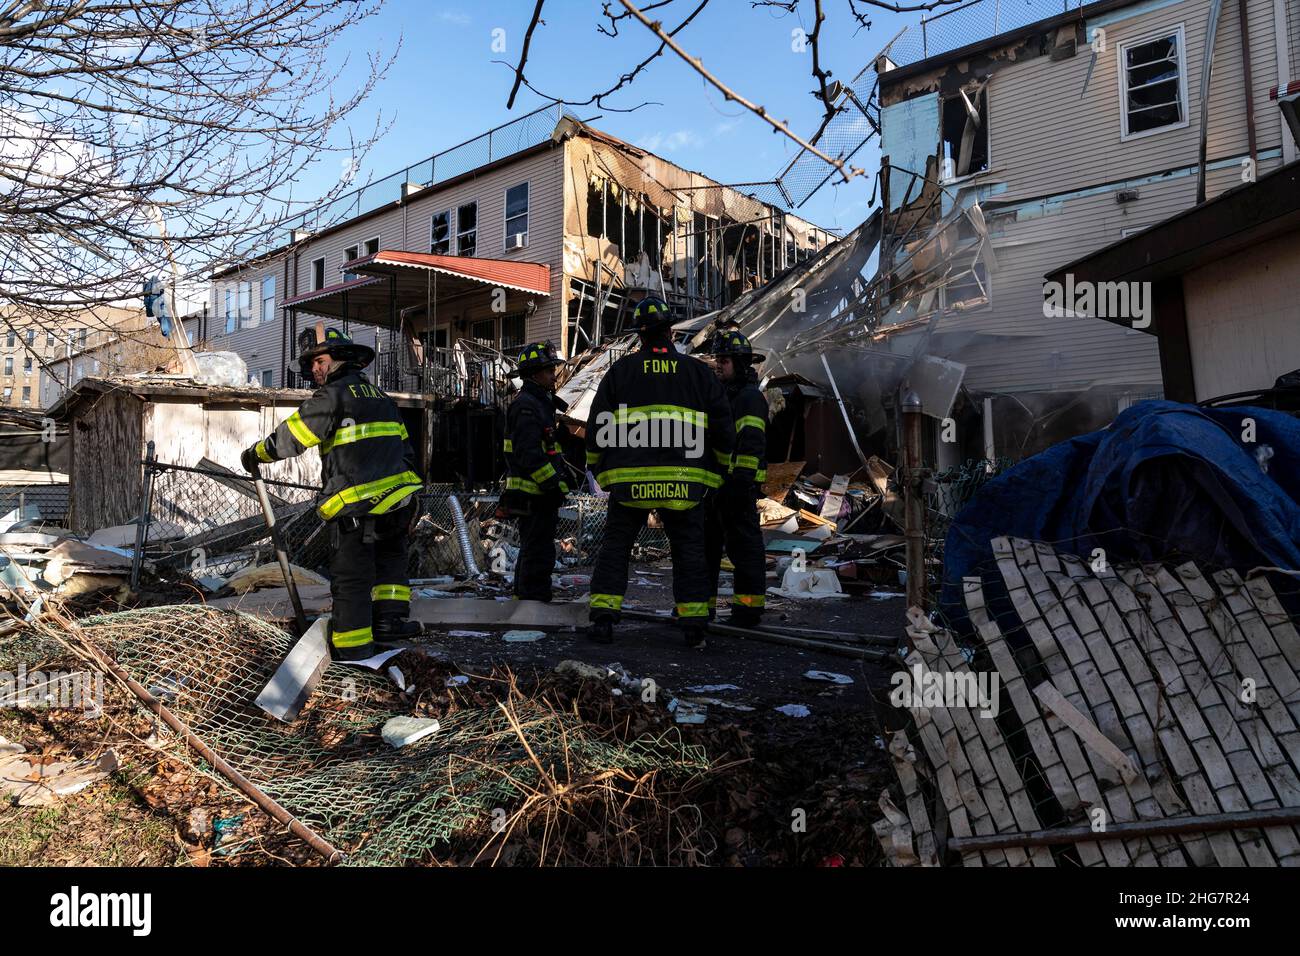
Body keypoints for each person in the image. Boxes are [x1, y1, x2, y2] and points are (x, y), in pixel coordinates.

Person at [241, 326, 423, 661]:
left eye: (319, 361)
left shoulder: (332, 396)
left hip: (356, 506)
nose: (313, 369)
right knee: (390, 564)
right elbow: (406, 449)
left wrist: (255, 454)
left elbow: (292, 438)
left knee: (352, 577)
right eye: (311, 363)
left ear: (340, 360)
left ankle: (353, 650)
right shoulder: (380, 397)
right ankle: (390, 624)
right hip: (399, 499)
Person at [584, 295, 735, 648]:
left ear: (640, 335)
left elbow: (598, 426)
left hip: (630, 484)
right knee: (689, 551)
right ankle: (694, 624)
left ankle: (604, 620)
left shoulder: (620, 372)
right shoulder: (698, 373)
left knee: (616, 547)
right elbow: (723, 427)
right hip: (685, 484)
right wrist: (720, 469)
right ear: (670, 332)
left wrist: (598, 467)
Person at [704, 329, 770, 627]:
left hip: (738, 490)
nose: (719, 365)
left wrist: (740, 484)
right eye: (718, 359)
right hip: (719, 489)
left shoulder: (749, 399)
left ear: (741, 364)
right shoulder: (726, 397)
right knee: (707, 551)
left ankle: (747, 611)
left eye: (725, 360)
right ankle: (701, 609)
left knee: (745, 552)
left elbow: (751, 445)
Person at [501, 341, 572, 602]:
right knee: (537, 550)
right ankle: (531, 599)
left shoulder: (541, 403)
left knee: (539, 548)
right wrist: (552, 485)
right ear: (532, 374)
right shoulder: (527, 406)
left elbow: (548, 450)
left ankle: (531, 596)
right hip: (532, 494)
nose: (554, 374)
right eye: (548, 370)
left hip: (540, 494)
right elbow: (528, 454)